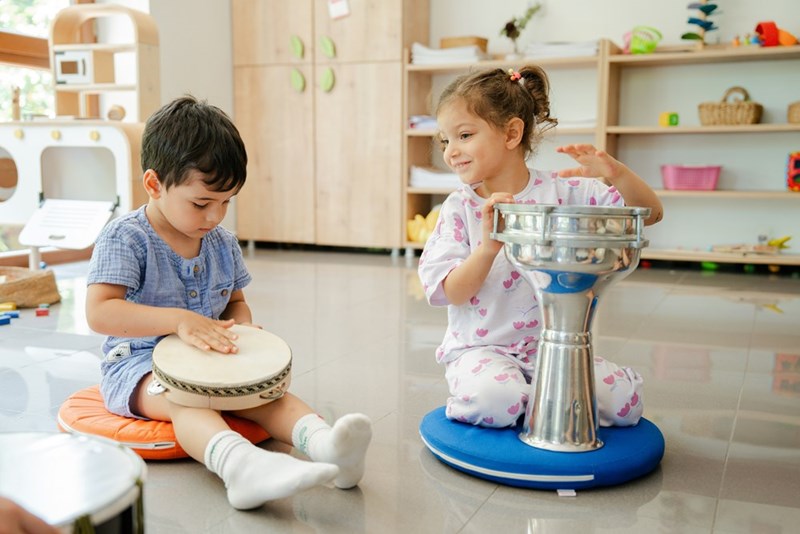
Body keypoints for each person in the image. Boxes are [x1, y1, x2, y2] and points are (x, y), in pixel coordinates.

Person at [85, 96, 372, 510]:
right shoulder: (126, 237)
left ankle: (329, 447)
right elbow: (100, 312)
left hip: (207, 354)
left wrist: (241, 326)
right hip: (138, 365)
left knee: (267, 396)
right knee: (187, 400)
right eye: (202, 203)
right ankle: (240, 469)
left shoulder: (221, 243)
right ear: (154, 184)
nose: (215, 216)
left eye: (226, 202)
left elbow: (236, 302)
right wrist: (179, 320)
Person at [418, 65, 664, 429]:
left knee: (625, 403)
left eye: (464, 135)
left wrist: (617, 174)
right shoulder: (459, 207)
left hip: (555, 349)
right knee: (497, 399)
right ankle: (523, 397)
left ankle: (535, 397)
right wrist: (487, 248)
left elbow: (651, 213)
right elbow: (449, 292)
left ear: (512, 133)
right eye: (445, 140)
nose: (451, 152)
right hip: (481, 351)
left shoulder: (563, 192)